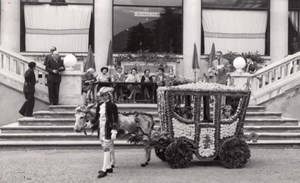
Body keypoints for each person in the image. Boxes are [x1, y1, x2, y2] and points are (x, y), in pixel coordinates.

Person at [91, 87, 119, 178]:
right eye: (102, 96)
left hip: (108, 129)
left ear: (109, 95)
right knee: (104, 147)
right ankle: (109, 167)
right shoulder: (99, 105)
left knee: (106, 148)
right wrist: (89, 123)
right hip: (101, 129)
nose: (103, 97)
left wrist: (114, 130)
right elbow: (96, 118)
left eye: (105, 95)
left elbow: (115, 119)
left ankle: (104, 170)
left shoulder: (112, 105)